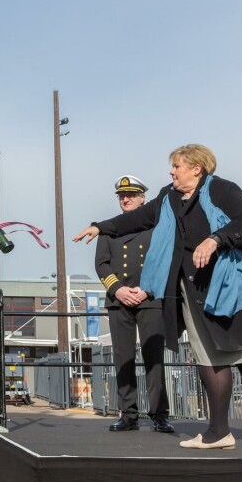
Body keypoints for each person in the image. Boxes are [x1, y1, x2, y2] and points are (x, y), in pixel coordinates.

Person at [74, 144, 242, 450]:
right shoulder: (169, 197)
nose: (171, 172)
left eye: (176, 166)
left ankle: (220, 432)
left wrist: (216, 239)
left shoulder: (222, 190)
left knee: (218, 358)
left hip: (226, 287)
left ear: (196, 168)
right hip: (196, 289)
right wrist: (101, 227)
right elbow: (139, 218)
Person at [96, 175, 172, 433]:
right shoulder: (110, 227)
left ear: (143, 198)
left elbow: (164, 258)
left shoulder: (155, 224)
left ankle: (159, 414)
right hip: (120, 301)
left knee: (154, 358)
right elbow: (102, 264)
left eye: (131, 195)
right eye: (121, 196)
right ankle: (128, 414)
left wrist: (146, 288)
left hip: (149, 298)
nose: (125, 199)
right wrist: (118, 290)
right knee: (123, 358)